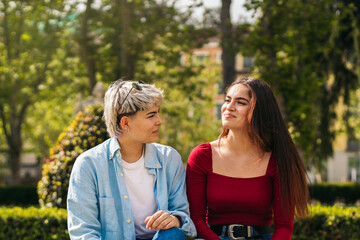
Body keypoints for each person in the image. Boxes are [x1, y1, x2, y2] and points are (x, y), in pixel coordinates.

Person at [67, 79, 196, 240]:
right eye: (151, 115)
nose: (159, 121)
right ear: (125, 122)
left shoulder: (169, 159)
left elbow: (183, 215)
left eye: (158, 112)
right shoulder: (88, 165)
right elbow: (83, 233)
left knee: (172, 234)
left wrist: (175, 219)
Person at [186, 77, 309, 240]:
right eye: (227, 100)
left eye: (240, 102)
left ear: (259, 111)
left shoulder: (277, 161)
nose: (228, 107)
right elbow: (197, 220)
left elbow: (284, 228)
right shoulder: (202, 156)